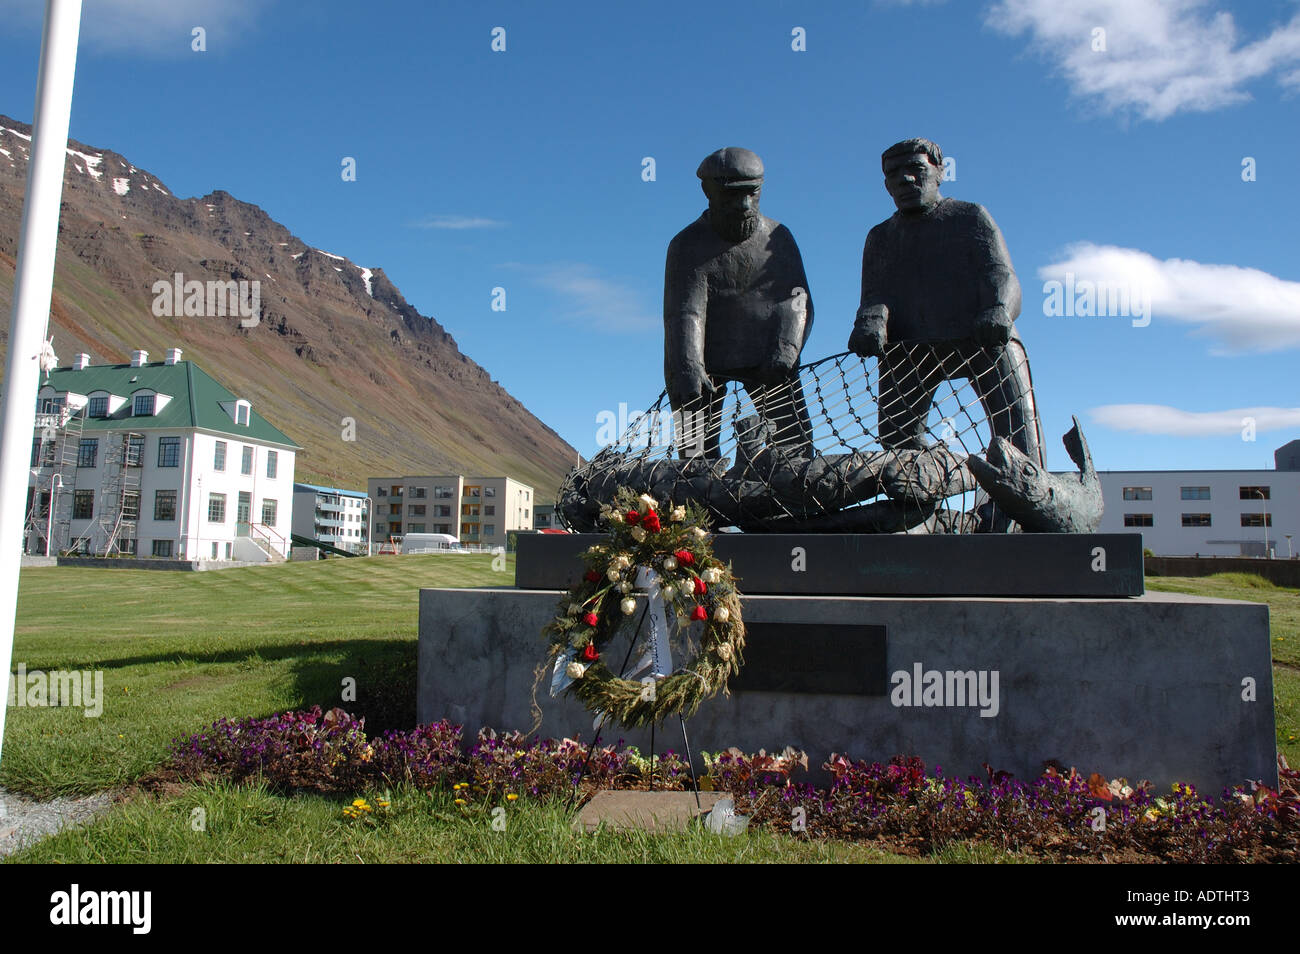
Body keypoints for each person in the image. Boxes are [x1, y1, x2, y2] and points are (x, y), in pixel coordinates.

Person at [847, 138, 1044, 470]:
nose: (905, 180)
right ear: (885, 186)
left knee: (1018, 425)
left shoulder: (969, 217)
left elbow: (1002, 274)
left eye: (916, 169)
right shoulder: (880, 237)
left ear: (939, 172)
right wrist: (870, 322)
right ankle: (915, 504)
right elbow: (875, 297)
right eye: (894, 175)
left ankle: (1023, 504)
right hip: (911, 347)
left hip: (981, 338)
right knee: (896, 440)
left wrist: (998, 309)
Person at [664, 147, 814, 458]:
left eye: (752, 193)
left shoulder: (779, 239)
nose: (744, 205)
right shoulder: (686, 245)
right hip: (703, 361)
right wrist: (689, 366)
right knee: (694, 455)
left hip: (767, 357)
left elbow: (798, 300)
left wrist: (786, 350)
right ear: (708, 191)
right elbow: (684, 313)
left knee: (794, 446)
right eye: (731, 196)